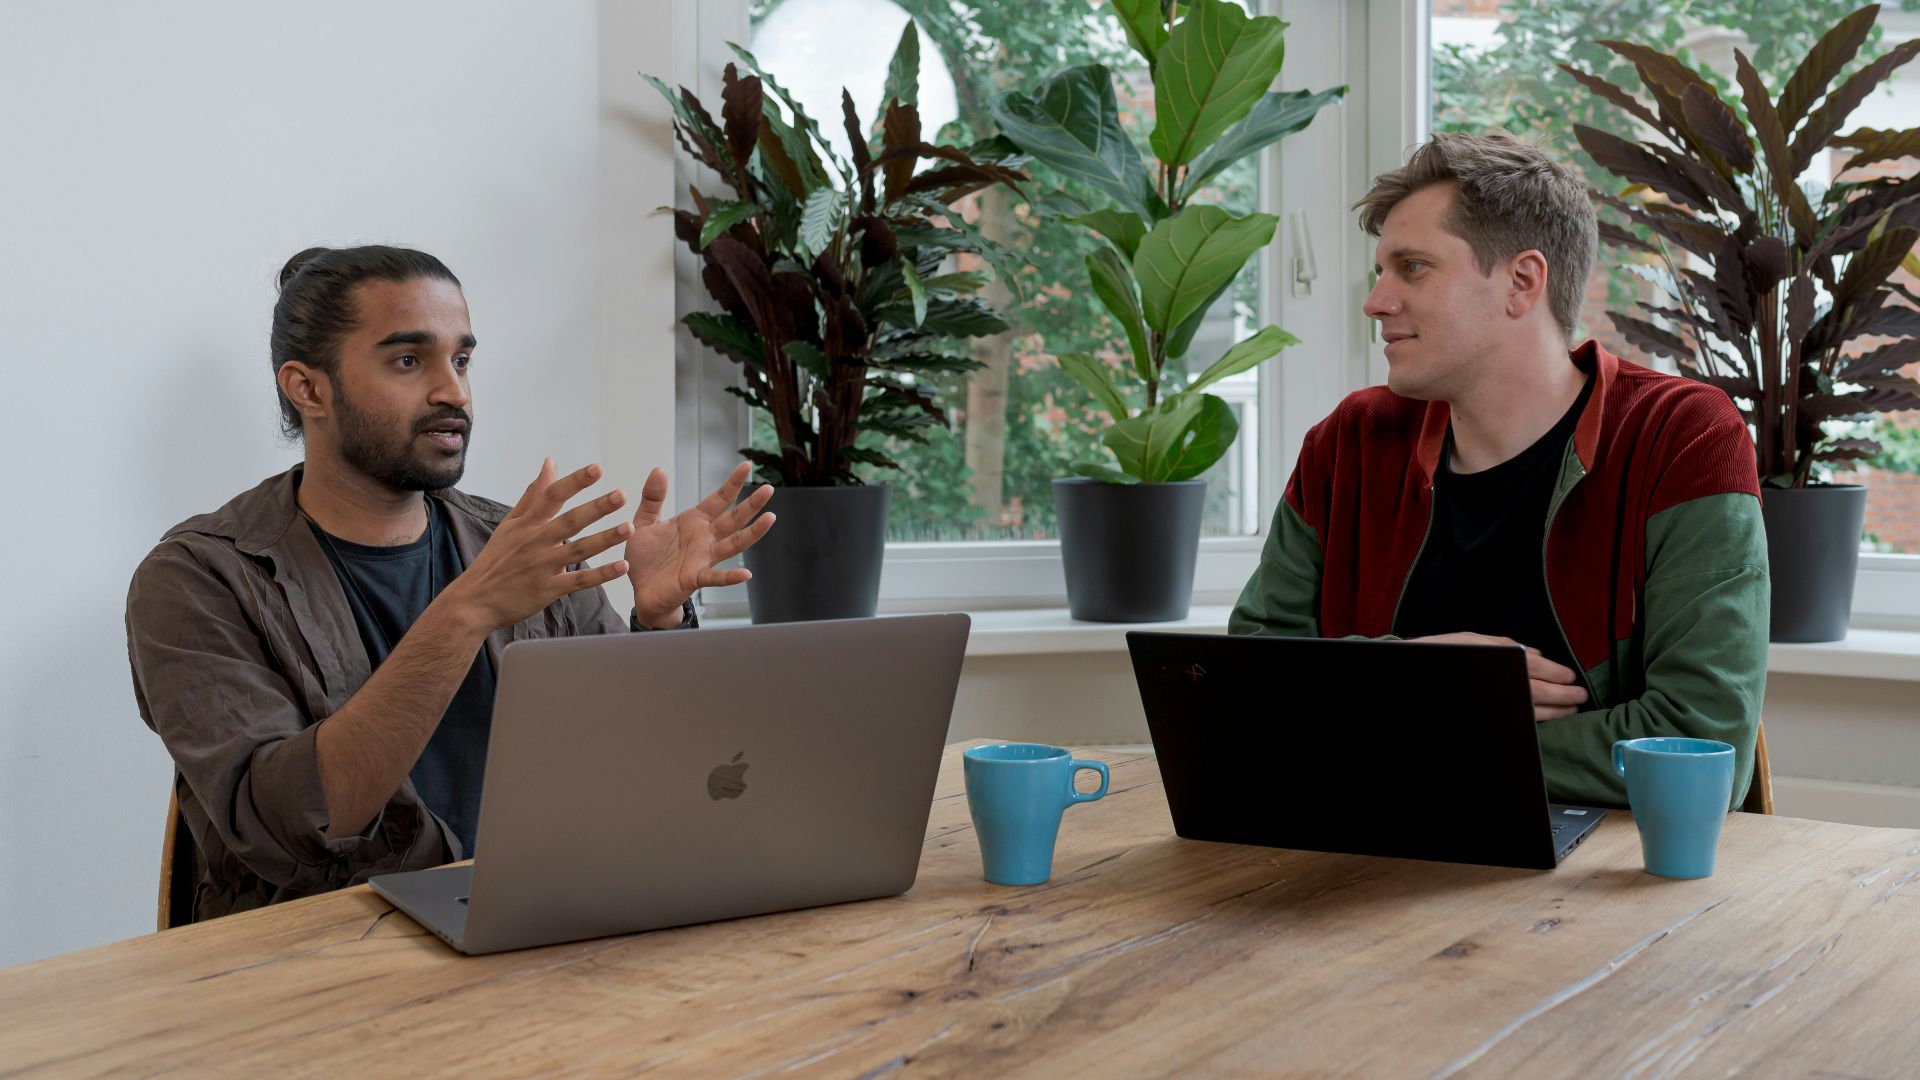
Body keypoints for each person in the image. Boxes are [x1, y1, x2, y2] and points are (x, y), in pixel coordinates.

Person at [127, 245, 776, 921]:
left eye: (461, 360)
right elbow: (292, 830)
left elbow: (634, 771)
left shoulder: (522, 546)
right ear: (308, 388)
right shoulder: (197, 579)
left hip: (534, 925)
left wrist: (659, 622)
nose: (454, 392)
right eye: (409, 361)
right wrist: (466, 610)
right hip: (319, 968)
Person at [1230, 133, 1768, 807]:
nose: (1375, 301)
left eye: (1413, 268)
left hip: (1608, 887)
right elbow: (1248, 684)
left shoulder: (1679, 436)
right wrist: (1417, 683)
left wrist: (1416, 729)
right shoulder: (1350, 443)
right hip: (1364, 863)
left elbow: (1698, 743)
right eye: (1380, 272)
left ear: (1522, 282)